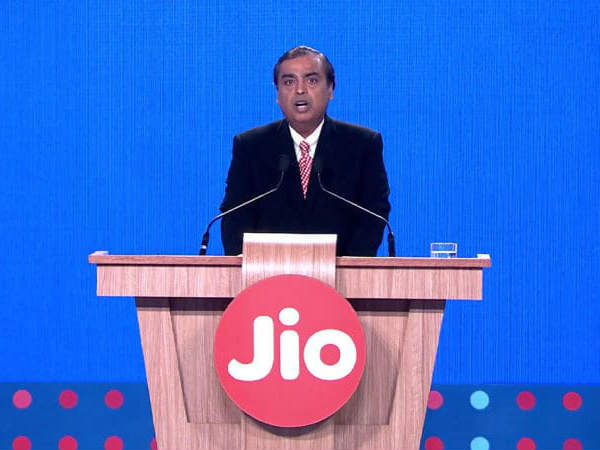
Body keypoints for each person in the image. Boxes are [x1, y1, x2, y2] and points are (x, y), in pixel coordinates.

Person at [220, 46, 391, 256]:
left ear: (330, 89)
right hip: (267, 273)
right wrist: (246, 263)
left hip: (340, 274)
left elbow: (374, 214)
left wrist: (348, 266)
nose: (300, 90)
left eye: (312, 80)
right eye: (289, 82)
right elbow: (234, 215)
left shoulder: (362, 144)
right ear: (277, 94)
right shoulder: (250, 146)